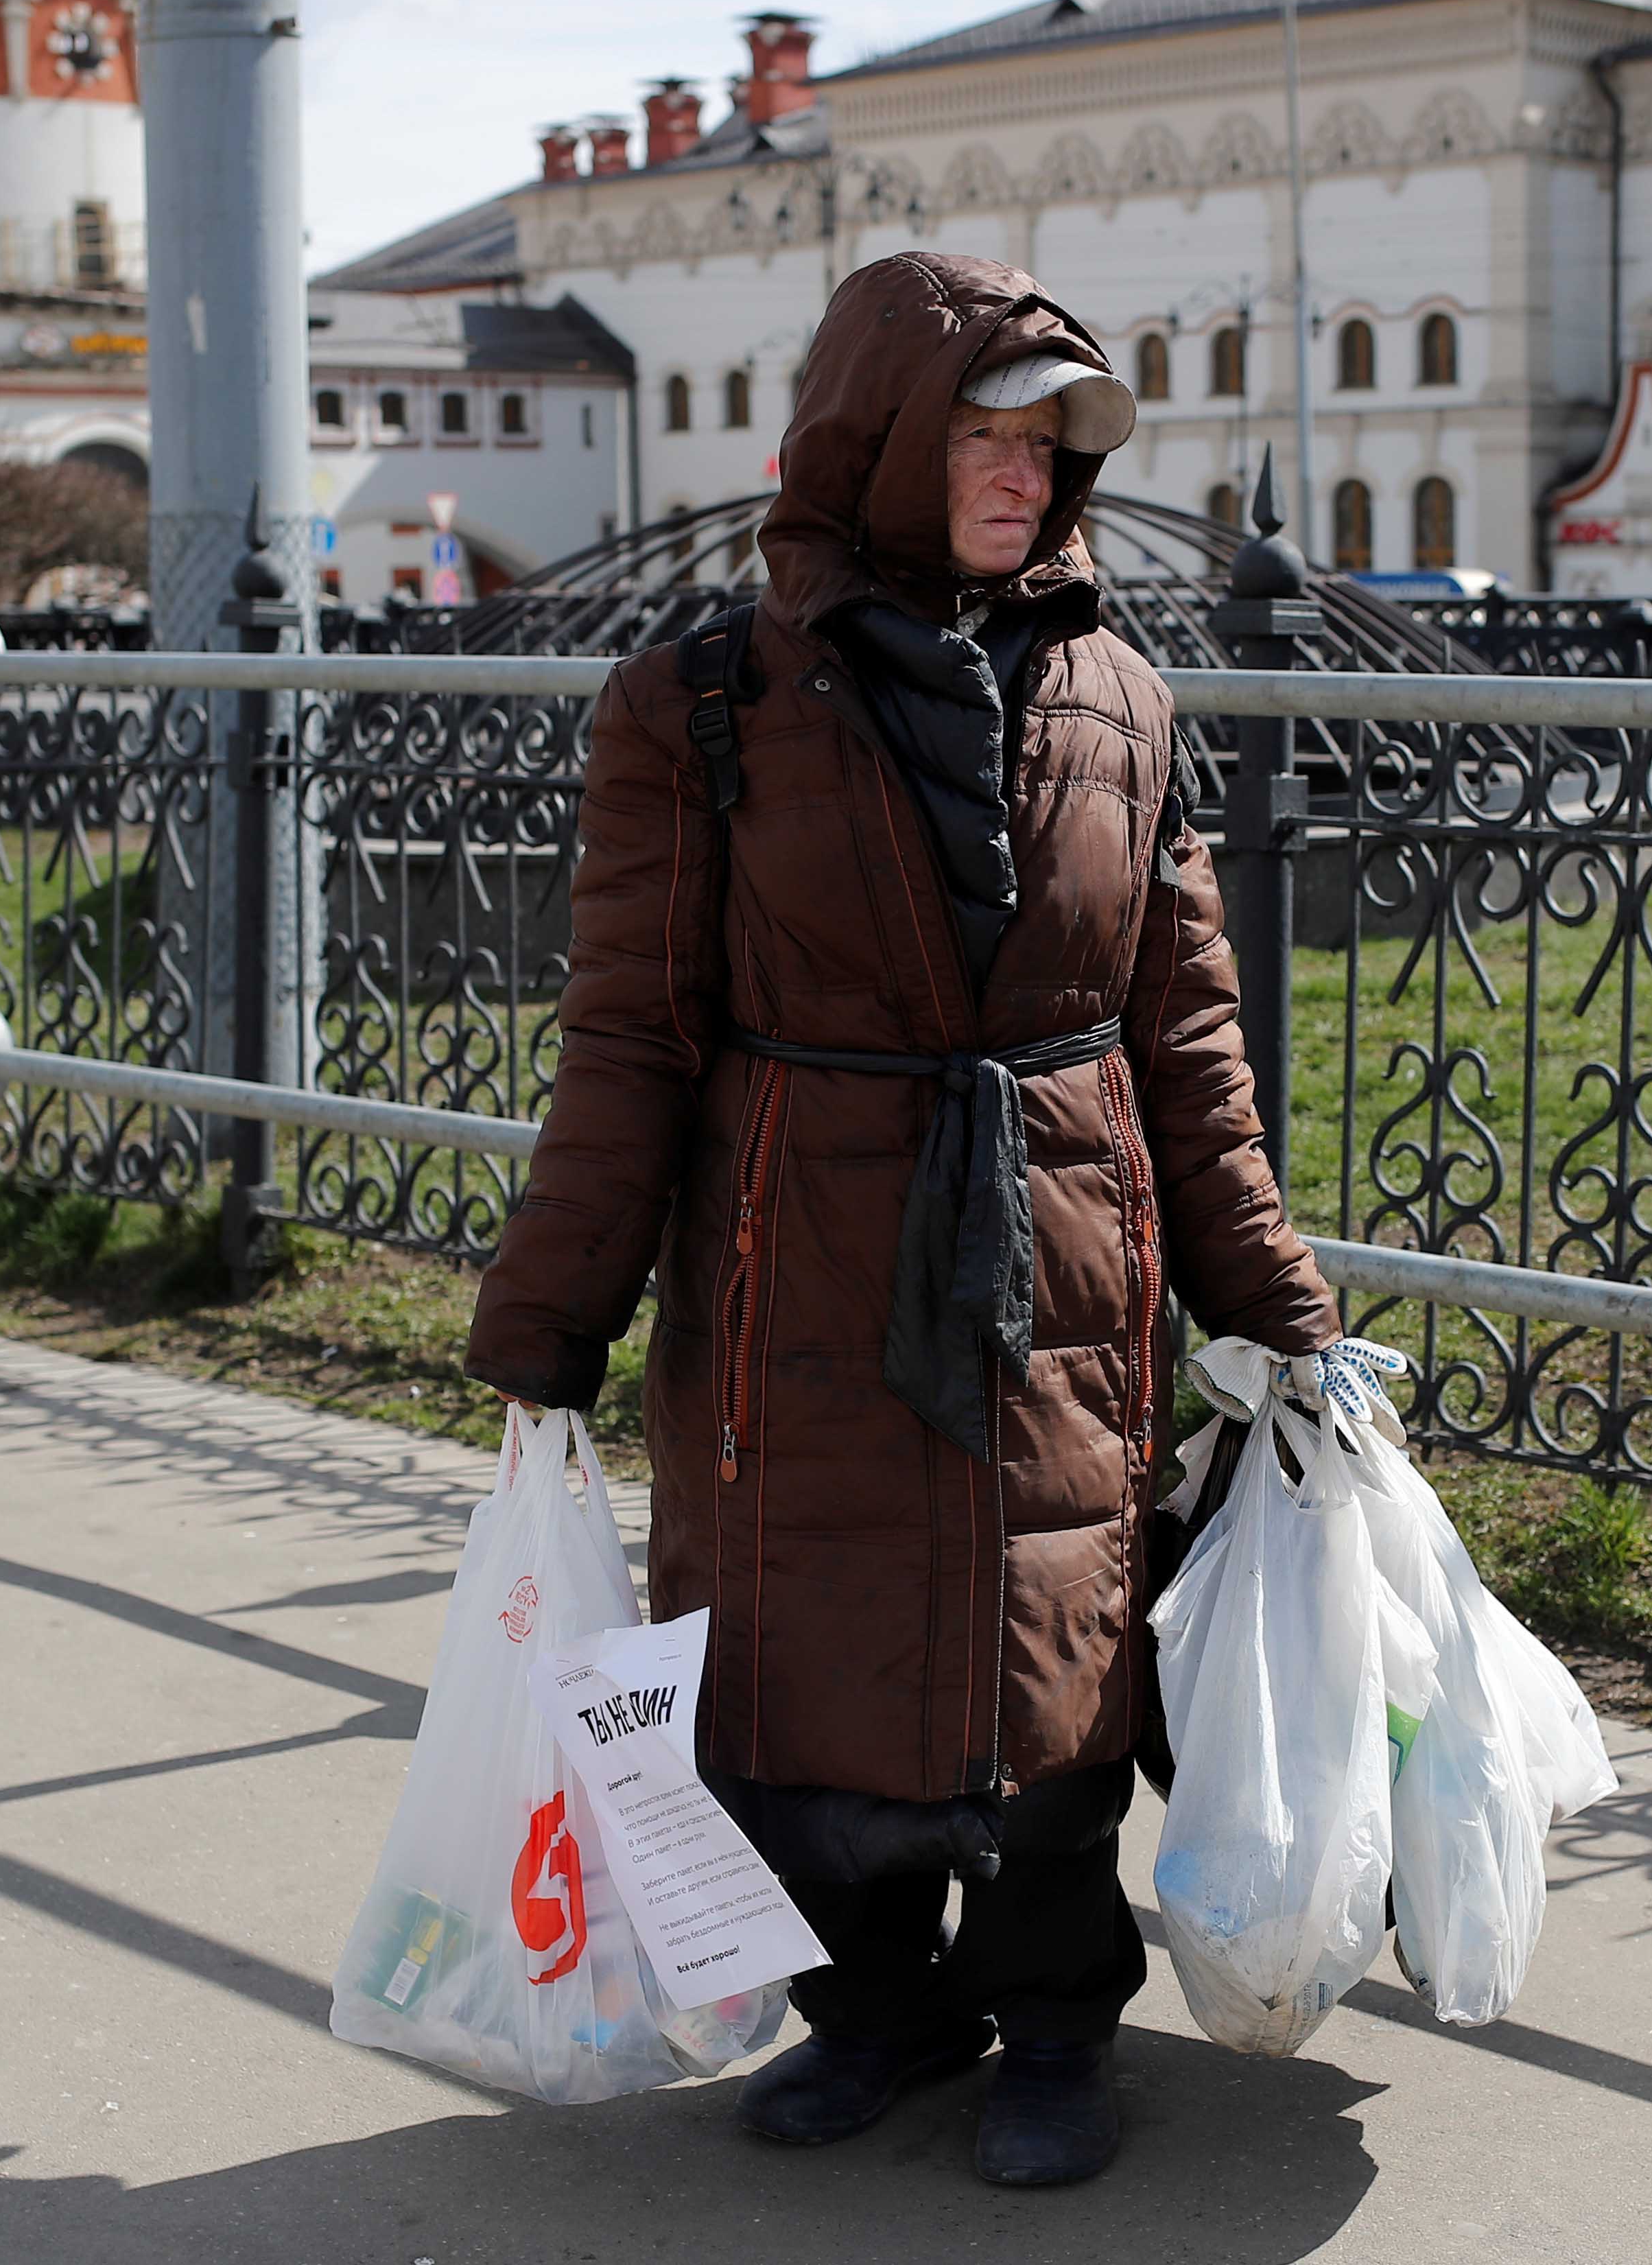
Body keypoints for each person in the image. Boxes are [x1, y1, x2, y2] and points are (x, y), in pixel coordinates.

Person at [460, 252, 1338, 2187]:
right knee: (792, 1654)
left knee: (1051, 1656)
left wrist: (1268, 1287)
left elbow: (1180, 1019)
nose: (1025, 475)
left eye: (1052, 442)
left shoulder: (1119, 691)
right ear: (877, 435)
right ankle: (874, 2007)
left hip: (1064, 1234)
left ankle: (1047, 2022)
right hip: (798, 1256)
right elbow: (627, 1029)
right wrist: (550, 1312)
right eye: (985, 434)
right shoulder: (694, 705)